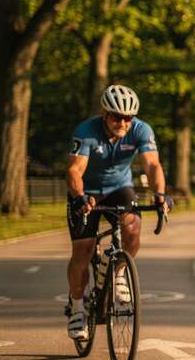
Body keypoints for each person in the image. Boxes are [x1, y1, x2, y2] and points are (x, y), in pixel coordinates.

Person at [65, 85, 170, 340]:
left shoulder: (141, 130)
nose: (122, 122)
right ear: (105, 113)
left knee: (132, 226)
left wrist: (159, 195)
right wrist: (79, 198)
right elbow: (74, 171)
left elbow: (152, 164)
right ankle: (78, 307)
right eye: (116, 116)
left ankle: (119, 273)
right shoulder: (87, 132)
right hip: (86, 190)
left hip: (119, 188)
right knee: (83, 249)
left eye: (128, 118)